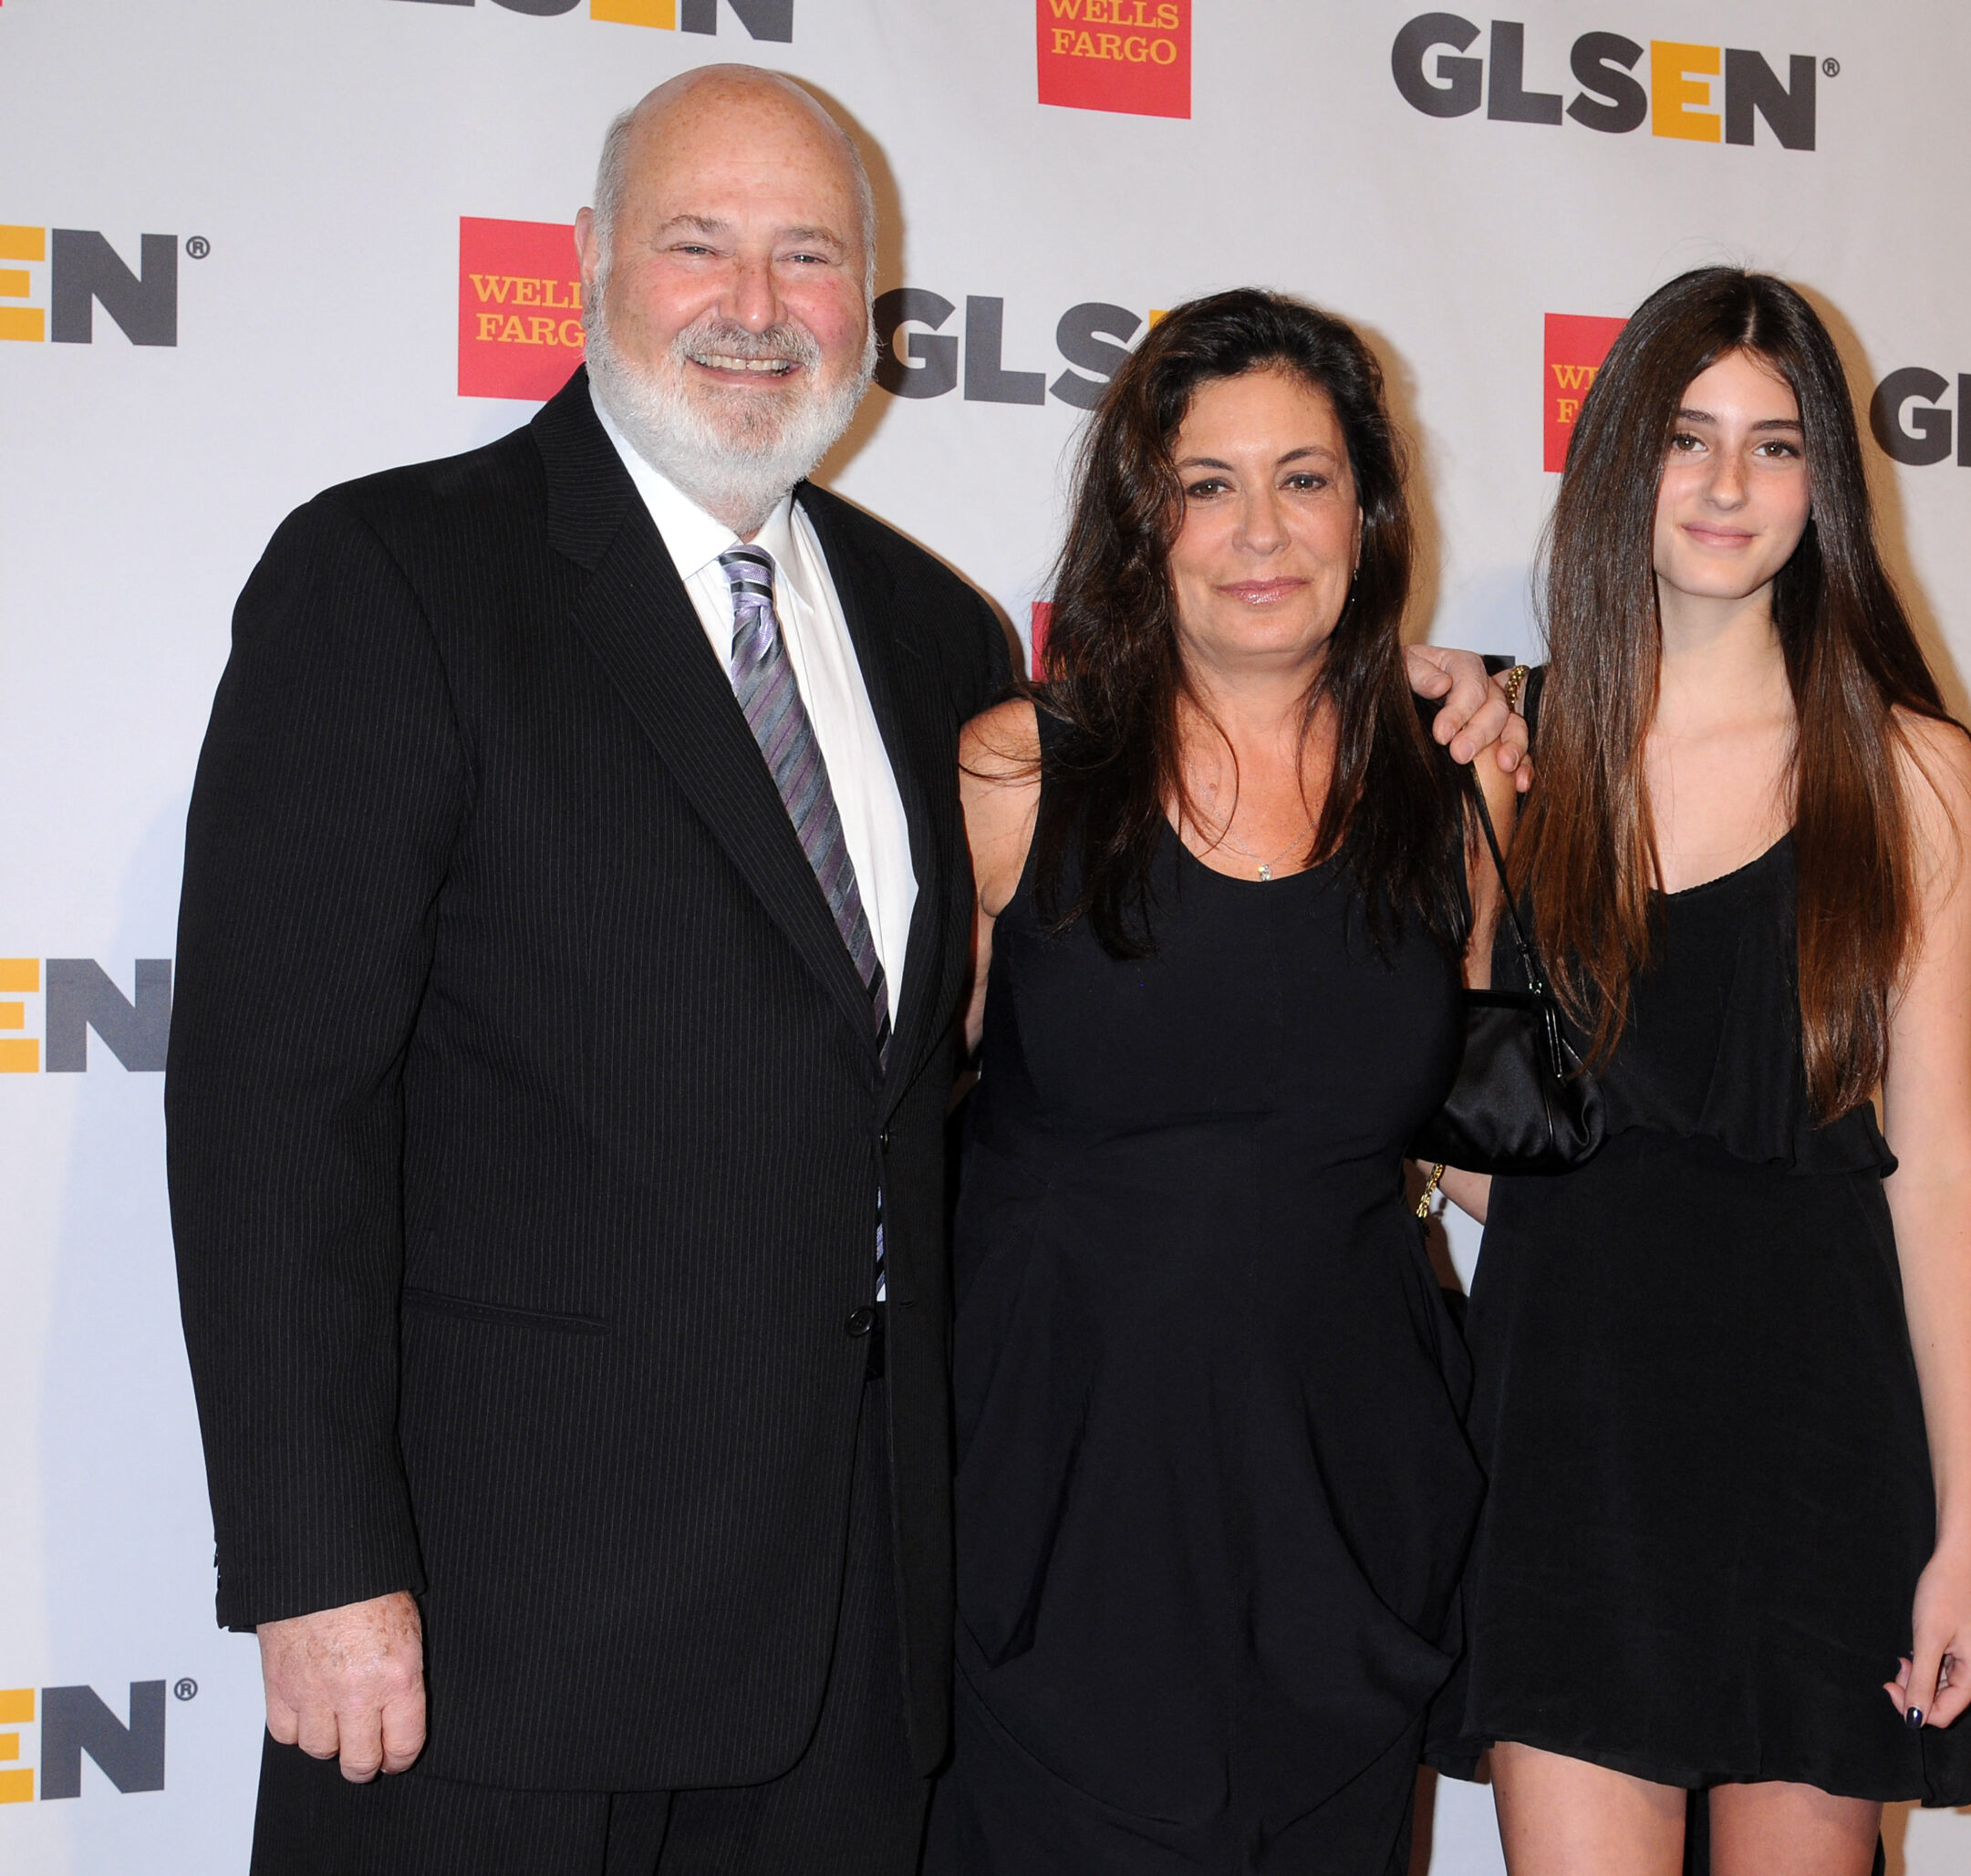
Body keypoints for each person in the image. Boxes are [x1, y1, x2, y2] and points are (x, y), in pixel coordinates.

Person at [166, 67, 1522, 1876]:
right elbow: (274, 1107)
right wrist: (320, 1561)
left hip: (859, 1631)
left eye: (805, 255)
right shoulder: (396, 576)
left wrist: (1402, 698)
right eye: (698, 244)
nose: (753, 304)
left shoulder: (926, 636)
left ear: (866, 309)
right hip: (511, 1621)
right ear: (584, 263)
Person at [927, 290, 1509, 1876]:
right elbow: (884, 1139)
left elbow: (1494, 1155)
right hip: (1062, 1524)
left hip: (1347, 1523)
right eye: (1207, 483)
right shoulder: (1018, 770)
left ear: (1370, 510)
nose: (1262, 529)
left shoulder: (1449, 794)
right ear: (1144, 522)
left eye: (1306, 477)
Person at [1432, 268, 1971, 1876]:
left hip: (1819, 1445)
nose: (1730, 486)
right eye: (1688, 438)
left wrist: (1967, 1535)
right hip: (1566, 1442)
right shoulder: (1512, 753)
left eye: (1775, 444)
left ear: (1828, 483)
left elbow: (1942, 1168)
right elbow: (1498, 1155)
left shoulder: (1911, 771)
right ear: (1626, 459)